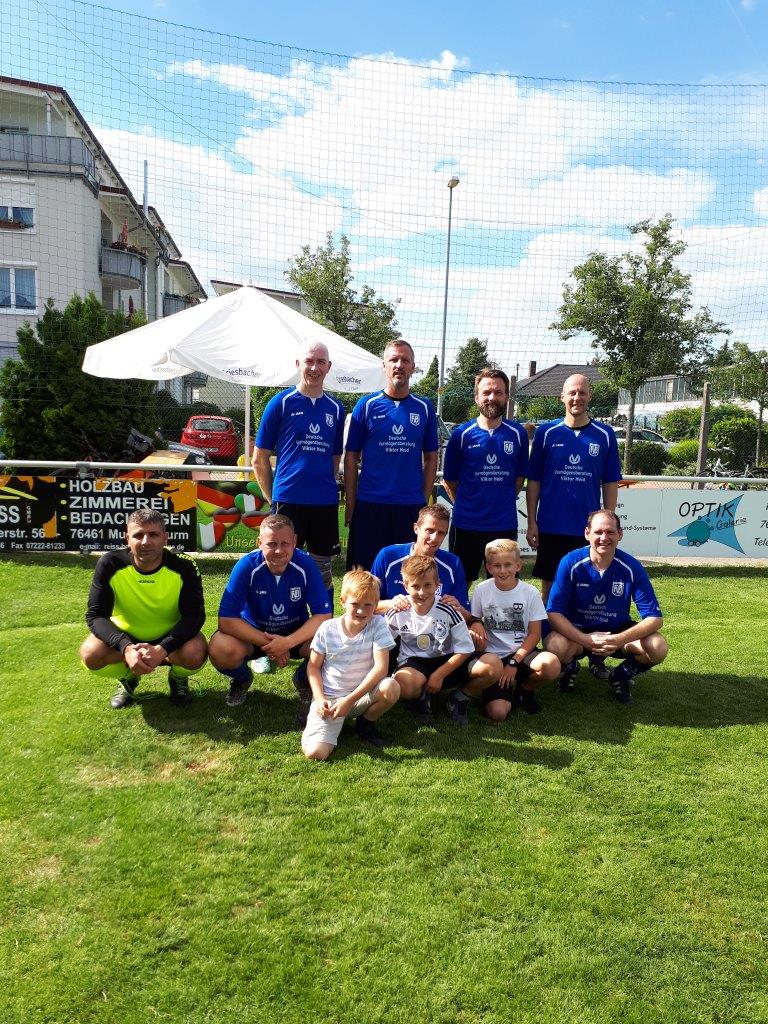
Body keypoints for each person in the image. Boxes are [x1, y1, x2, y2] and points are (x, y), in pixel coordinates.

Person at [80, 509, 207, 709]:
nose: (146, 541)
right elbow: (96, 615)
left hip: (171, 636)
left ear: (165, 538)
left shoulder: (184, 565)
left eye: (153, 534)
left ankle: (177, 678)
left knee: (195, 652)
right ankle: (128, 677)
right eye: (138, 535)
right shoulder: (110, 563)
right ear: (127, 538)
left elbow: (195, 616)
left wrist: (162, 649)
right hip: (125, 635)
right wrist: (126, 648)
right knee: (90, 654)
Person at [253, 340, 344, 615]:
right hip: (288, 501)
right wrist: (274, 499)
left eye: (320, 362)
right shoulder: (280, 403)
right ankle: (278, 625)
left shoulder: (336, 409)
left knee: (322, 569)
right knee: (280, 564)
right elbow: (259, 459)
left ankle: (322, 628)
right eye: (309, 361)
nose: (314, 368)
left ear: (328, 367)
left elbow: (335, 458)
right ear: (298, 364)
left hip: (324, 503)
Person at [209, 514, 332, 711]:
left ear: (294, 542)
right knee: (220, 648)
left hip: (295, 636)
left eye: (285, 543)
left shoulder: (305, 564)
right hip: (254, 636)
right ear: (259, 543)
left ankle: (303, 679)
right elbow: (226, 620)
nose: (279, 550)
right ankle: (242, 680)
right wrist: (272, 644)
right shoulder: (247, 565)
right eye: (271, 544)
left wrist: (287, 642)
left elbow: (323, 615)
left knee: (332, 643)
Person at [544, 509, 668, 705]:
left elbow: (655, 618)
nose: (604, 538)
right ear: (587, 533)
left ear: (620, 534)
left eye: (610, 532)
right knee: (555, 646)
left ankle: (621, 675)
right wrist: (585, 639)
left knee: (657, 647)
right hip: (577, 633)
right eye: (598, 532)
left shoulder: (631, 566)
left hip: (615, 633)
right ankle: (570, 667)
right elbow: (553, 612)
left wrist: (618, 639)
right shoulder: (570, 562)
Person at [526, 373, 622, 603]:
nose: (577, 397)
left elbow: (610, 482)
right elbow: (534, 481)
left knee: (586, 588)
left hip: (587, 528)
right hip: (551, 525)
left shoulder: (605, 435)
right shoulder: (546, 433)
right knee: (550, 589)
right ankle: (547, 627)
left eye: (582, 392)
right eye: (572, 393)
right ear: (562, 397)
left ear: (589, 396)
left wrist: (608, 523)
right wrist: (532, 522)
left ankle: (581, 628)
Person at [344, 339, 439, 570]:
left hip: (410, 506)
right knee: (364, 574)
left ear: (413, 367)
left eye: (405, 360)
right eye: (394, 359)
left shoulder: (424, 407)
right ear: (384, 365)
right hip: (370, 504)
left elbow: (431, 457)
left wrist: (422, 499)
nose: (399, 365)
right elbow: (351, 457)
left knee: (409, 574)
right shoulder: (366, 405)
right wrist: (351, 503)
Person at [385, 554, 501, 727]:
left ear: (437, 585)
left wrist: (439, 675)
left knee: (493, 665)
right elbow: (383, 646)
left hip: (449, 661)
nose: (422, 592)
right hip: (416, 662)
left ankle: (459, 697)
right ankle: (420, 697)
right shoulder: (398, 611)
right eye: (415, 586)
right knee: (404, 683)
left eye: (427, 585)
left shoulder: (448, 608)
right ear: (405, 586)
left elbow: (465, 649)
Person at [301, 570, 400, 760]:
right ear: (343, 601)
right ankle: (314, 721)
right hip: (331, 700)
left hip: (360, 697)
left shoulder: (378, 624)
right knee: (315, 753)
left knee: (391, 687)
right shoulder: (327, 628)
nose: (361, 611)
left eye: (368, 605)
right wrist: (320, 698)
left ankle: (365, 723)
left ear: (376, 605)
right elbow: (313, 667)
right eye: (355, 604)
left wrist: (349, 701)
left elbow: (381, 668)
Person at [442, 368, 529, 584]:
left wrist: (502, 501)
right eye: (486, 392)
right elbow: (449, 480)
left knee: (505, 584)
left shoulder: (518, 434)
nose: (492, 397)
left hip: (503, 524)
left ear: (506, 396)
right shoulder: (461, 435)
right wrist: (466, 504)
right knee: (461, 584)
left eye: (498, 392)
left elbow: (520, 477)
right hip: (466, 524)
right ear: (476, 397)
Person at [470, 539, 560, 719]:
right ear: (488, 568)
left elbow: (534, 634)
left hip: (522, 653)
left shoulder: (530, 593)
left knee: (551, 665)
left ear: (518, 565)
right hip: (493, 657)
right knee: (498, 713)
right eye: (497, 566)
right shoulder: (481, 589)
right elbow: (474, 618)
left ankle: (524, 689)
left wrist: (513, 663)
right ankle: (496, 688)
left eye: (508, 565)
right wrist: (476, 622)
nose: (502, 571)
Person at [370, 504, 469, 614]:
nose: (434, 538)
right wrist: (390, 604)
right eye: (430, 530)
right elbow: (365, 603)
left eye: (441, 533)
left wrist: (457, 608)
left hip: (436, 624)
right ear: (416, 528)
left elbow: (467, 615)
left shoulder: (453, 563)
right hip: (390, 623)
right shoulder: (388, 556)